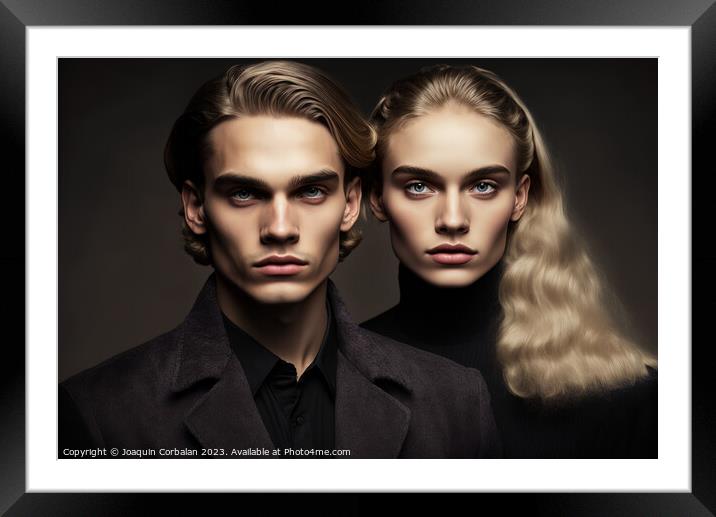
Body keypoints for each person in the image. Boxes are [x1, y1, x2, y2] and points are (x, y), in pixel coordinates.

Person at [58, 60, 500, 459]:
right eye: (245, 193)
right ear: (196, 207)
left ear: (350, 204)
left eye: (311, 191)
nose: (280, 228)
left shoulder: (454, 400)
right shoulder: (98, 413)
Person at [361, 64, 657, 458]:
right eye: (419, 186)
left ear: (519, 198)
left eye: (483, 186)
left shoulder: (626, 394)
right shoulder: (326, 378)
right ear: (377, 197)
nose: (452, 220)